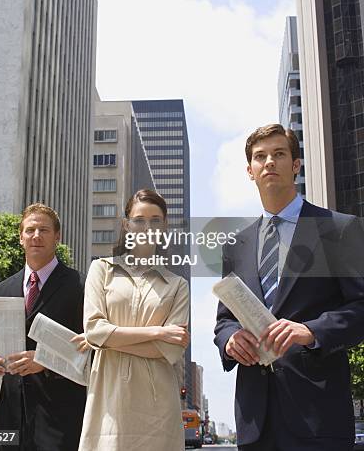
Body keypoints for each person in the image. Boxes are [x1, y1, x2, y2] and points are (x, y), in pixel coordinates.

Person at [214, 124, 364, 451]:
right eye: (260, 157)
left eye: (279, 154)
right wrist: (230, 341)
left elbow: (360, 308)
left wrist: (311, 331)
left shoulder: (338, 229)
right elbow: (224, 320)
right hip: (256, 418)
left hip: (318, 416)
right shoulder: (236, 246)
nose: (269, 162)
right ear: (250, 171)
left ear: (296, 165)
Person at [78, 189, 190, 451]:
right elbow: (94, 330)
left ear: (164, 227)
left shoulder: (177, 285)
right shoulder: (101, 269)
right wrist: (157, 333)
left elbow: (171, 349)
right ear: (127, 225)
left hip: (158, 406)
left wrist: (106, 339)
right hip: (109, 399)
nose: (146, 227)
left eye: (155, 220)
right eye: (139, 219)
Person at [0, 203, 88, 451]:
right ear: (20, 237)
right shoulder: (2, 289)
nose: (36, 236)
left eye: (44, 230)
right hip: (11, 419)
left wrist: (44, 360)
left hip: (60, 420)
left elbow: (91, 348)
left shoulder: (80, 286)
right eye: (30, 230)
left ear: (57, 236)